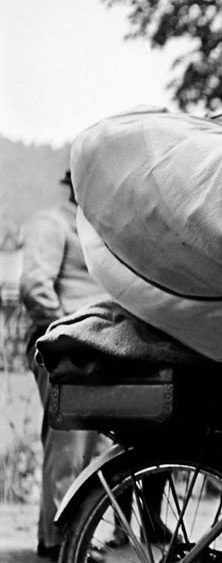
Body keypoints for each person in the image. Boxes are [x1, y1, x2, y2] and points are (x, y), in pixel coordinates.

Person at [19, 171, 109, 560]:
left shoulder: (100, 230)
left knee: (94, 444)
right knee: (69, 442)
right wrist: (64, 333)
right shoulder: (52, 224)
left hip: (99, 348)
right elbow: (35, 287)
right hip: (62, 346)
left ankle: (69, 536)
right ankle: (59, 540)